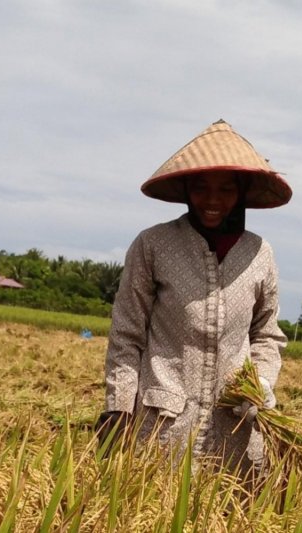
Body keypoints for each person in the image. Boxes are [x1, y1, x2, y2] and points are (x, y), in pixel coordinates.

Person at [97, 119, 291, 475]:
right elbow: (127, 334)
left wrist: (261, 383)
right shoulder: (153, 245)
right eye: (201, 188)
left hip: (234, 431)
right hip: (162, 427)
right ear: (186, 189)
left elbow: (266, 333)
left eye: (226, 189)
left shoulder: (260, 254)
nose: (212, 200)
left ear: (243, 192)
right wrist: (119, 408)